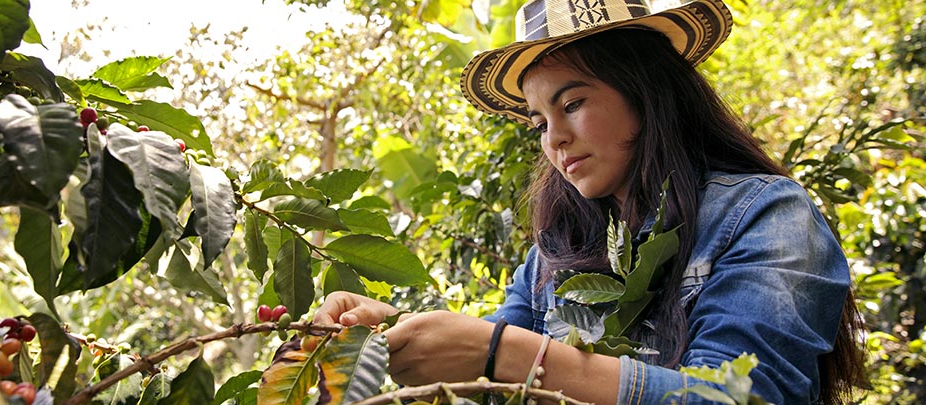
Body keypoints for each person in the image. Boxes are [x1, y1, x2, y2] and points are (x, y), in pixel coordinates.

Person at [312, 0, 866, 403]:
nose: (554, 138)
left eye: (572, 103)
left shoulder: (766, 218)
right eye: (539, 123)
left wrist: (508, 355)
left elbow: (741, 397)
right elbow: (488, 357)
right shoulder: (558, 248)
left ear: (647, 89)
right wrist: (390, 330)